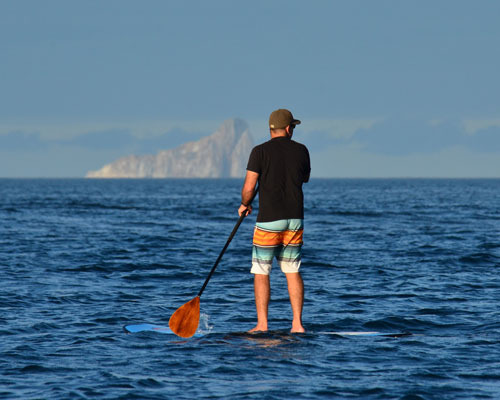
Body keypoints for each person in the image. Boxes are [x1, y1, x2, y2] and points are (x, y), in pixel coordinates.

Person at [238, 109, 311, 333]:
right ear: (288, 128)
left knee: (261, 271)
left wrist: (245, 204)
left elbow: (249, 187)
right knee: (292, 270)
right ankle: (297, 324)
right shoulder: (302, 150)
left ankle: (262, 325)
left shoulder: (259, 152)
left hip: (269, 220)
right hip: (295, 220)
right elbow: (304, 178)